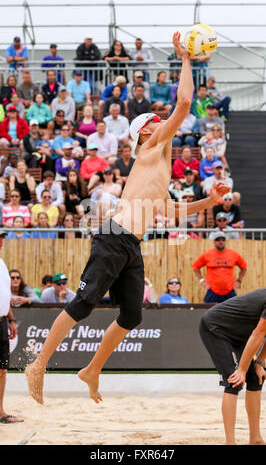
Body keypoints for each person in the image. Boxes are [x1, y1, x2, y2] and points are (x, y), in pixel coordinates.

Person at [25, 31, 230, 405]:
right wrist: (185, 58)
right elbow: (184, 102)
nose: (163, 120)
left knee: (132, 315)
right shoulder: (151, 147)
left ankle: (91, 370)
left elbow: (172, 210)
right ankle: (38, 364)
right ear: (146, 130)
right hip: (113, 235)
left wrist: (209, 201)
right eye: (157, 119)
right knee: (83, 305)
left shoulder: (159, 167)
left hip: (130, 242)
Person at [200, 289, 266, 445]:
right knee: (234, 381)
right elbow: (258, 333)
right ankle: (230, 442)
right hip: (216, 328)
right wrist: (241, 370)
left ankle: (255, 438)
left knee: (256, 378)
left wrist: (260, 363)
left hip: (241, 334)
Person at [0, 230, 23, 424]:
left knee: (1, 368)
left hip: (2, 321)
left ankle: (0, 411)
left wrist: (11, 319)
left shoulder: (2, 264)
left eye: (1, 237)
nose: (1, 241)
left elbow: (4, 296)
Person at [192, 231, 247, 303]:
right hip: (212, 291)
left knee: (233, 312)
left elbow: (244, 267)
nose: (220, 242)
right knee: (207, 312)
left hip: (229, 291)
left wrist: (238, 281)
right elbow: (195, 266)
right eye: (218, 240)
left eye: (223, 239)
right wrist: (202, 281)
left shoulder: (233, 254)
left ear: (225, 241)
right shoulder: (207, 254)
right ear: (214, 242)